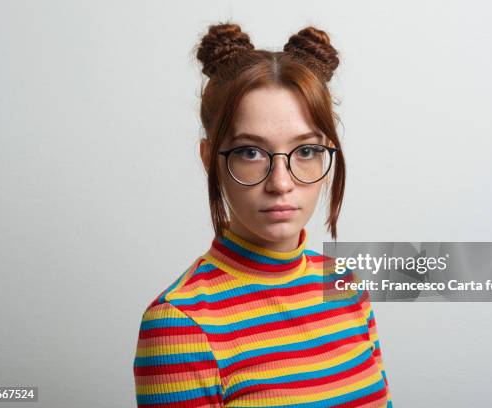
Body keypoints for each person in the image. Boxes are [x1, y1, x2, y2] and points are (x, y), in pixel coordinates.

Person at [133, 22, 393, 407]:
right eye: (251, 153)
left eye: (305, 151)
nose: (281, 182)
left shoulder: (346, 285)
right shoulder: (180, 325)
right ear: (210, 159)